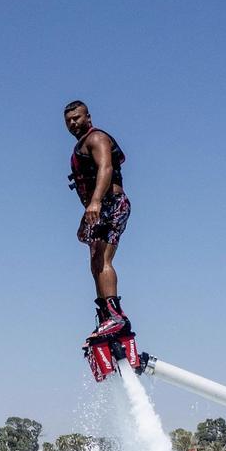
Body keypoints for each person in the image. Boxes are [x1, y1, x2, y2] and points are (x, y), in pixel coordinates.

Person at [64, 100, 132, 341]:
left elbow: (105, 168)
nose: (73, 123)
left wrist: (95, 202)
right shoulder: (81, 146)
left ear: (88, 117)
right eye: (69, 120)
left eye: (77, 118)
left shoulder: (97, 138)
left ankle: (116, 317)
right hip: (100, 208)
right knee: (95, 262)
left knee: (103, 259)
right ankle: (106, 315)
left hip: (111, 203)